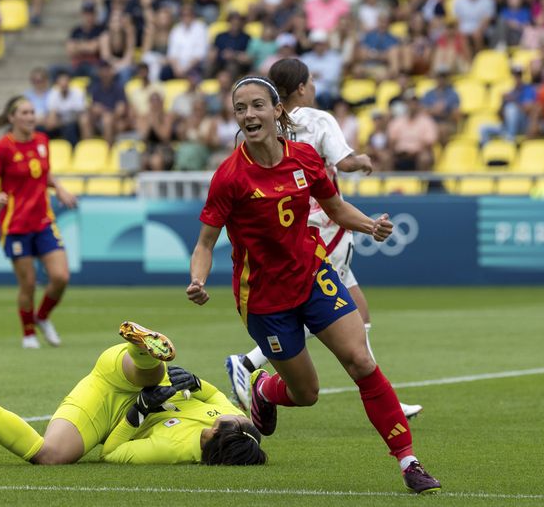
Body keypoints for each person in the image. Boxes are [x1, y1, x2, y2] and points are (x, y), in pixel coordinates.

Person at [186, 75, 440, 494]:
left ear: (277, 110)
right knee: (307, 393)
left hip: (314, 277)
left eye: (257, 106)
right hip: (265, 300)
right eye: (241, 109)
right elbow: (205, 243)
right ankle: (265, 391)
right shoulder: (230, 176)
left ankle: (409, 462)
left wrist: (369, 225)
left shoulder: (304, 157)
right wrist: (197, 280)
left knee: (361, 361)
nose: (249, 115)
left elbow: (336, 208)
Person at [222, 60, 423, 420]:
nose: (313, 86)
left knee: (357, 309)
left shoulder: (272, 123)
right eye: (311, 80)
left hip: (297, 225)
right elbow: (342, 163)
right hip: (321, 230)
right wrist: (362, 159)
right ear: (300, 87)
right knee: (317, 306)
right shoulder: (317, 119)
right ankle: (248, 361)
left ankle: (380, 389)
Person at [0, 322, 267, 466]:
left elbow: (112, 452)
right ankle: (141, 349)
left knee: (49, 455)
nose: (229, 415)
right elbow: (216, 395)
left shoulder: (174, 450)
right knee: (155, 374)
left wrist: (139, 414)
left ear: (215, 441)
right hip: (120, 377)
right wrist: (193, 382)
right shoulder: (231, 421)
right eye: (235, 418)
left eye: (227, 424)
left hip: (110, 409)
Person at [0, 96, 77, 349]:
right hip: (16, 225)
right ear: (12, 118)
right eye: (25, 112)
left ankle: (42, 317)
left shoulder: (43, 141)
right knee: (29, 283)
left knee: (61, 276)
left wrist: (61, 189)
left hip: (43, 221)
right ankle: (28, 333)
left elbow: (45, 174)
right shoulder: (3, 148)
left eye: (33, 112)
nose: (31, 117)